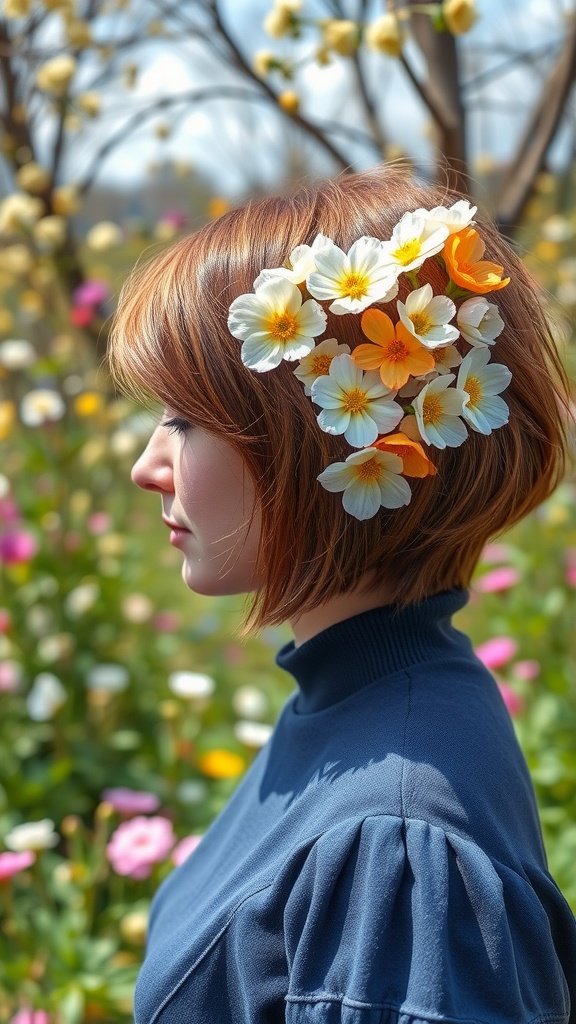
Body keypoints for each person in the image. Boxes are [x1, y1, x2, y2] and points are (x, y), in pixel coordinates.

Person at [107, 167, 576, 1024]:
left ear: (326, 428)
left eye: (183, 418)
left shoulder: (395, 844)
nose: (147, 467)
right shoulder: (361, 708)